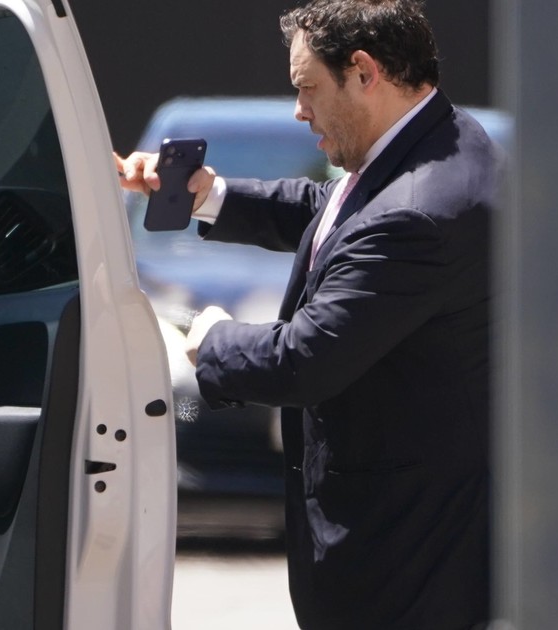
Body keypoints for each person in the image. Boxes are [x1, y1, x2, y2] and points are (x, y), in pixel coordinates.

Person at [117, 0, 502, 627]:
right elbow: (332, 209)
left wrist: (211, 338)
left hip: (401, 559)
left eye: (307, 88)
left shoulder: (417, 211)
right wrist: (206, 195)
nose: (300, 110)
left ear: (364, 72)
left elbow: (303, 359)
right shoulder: (438, 141)